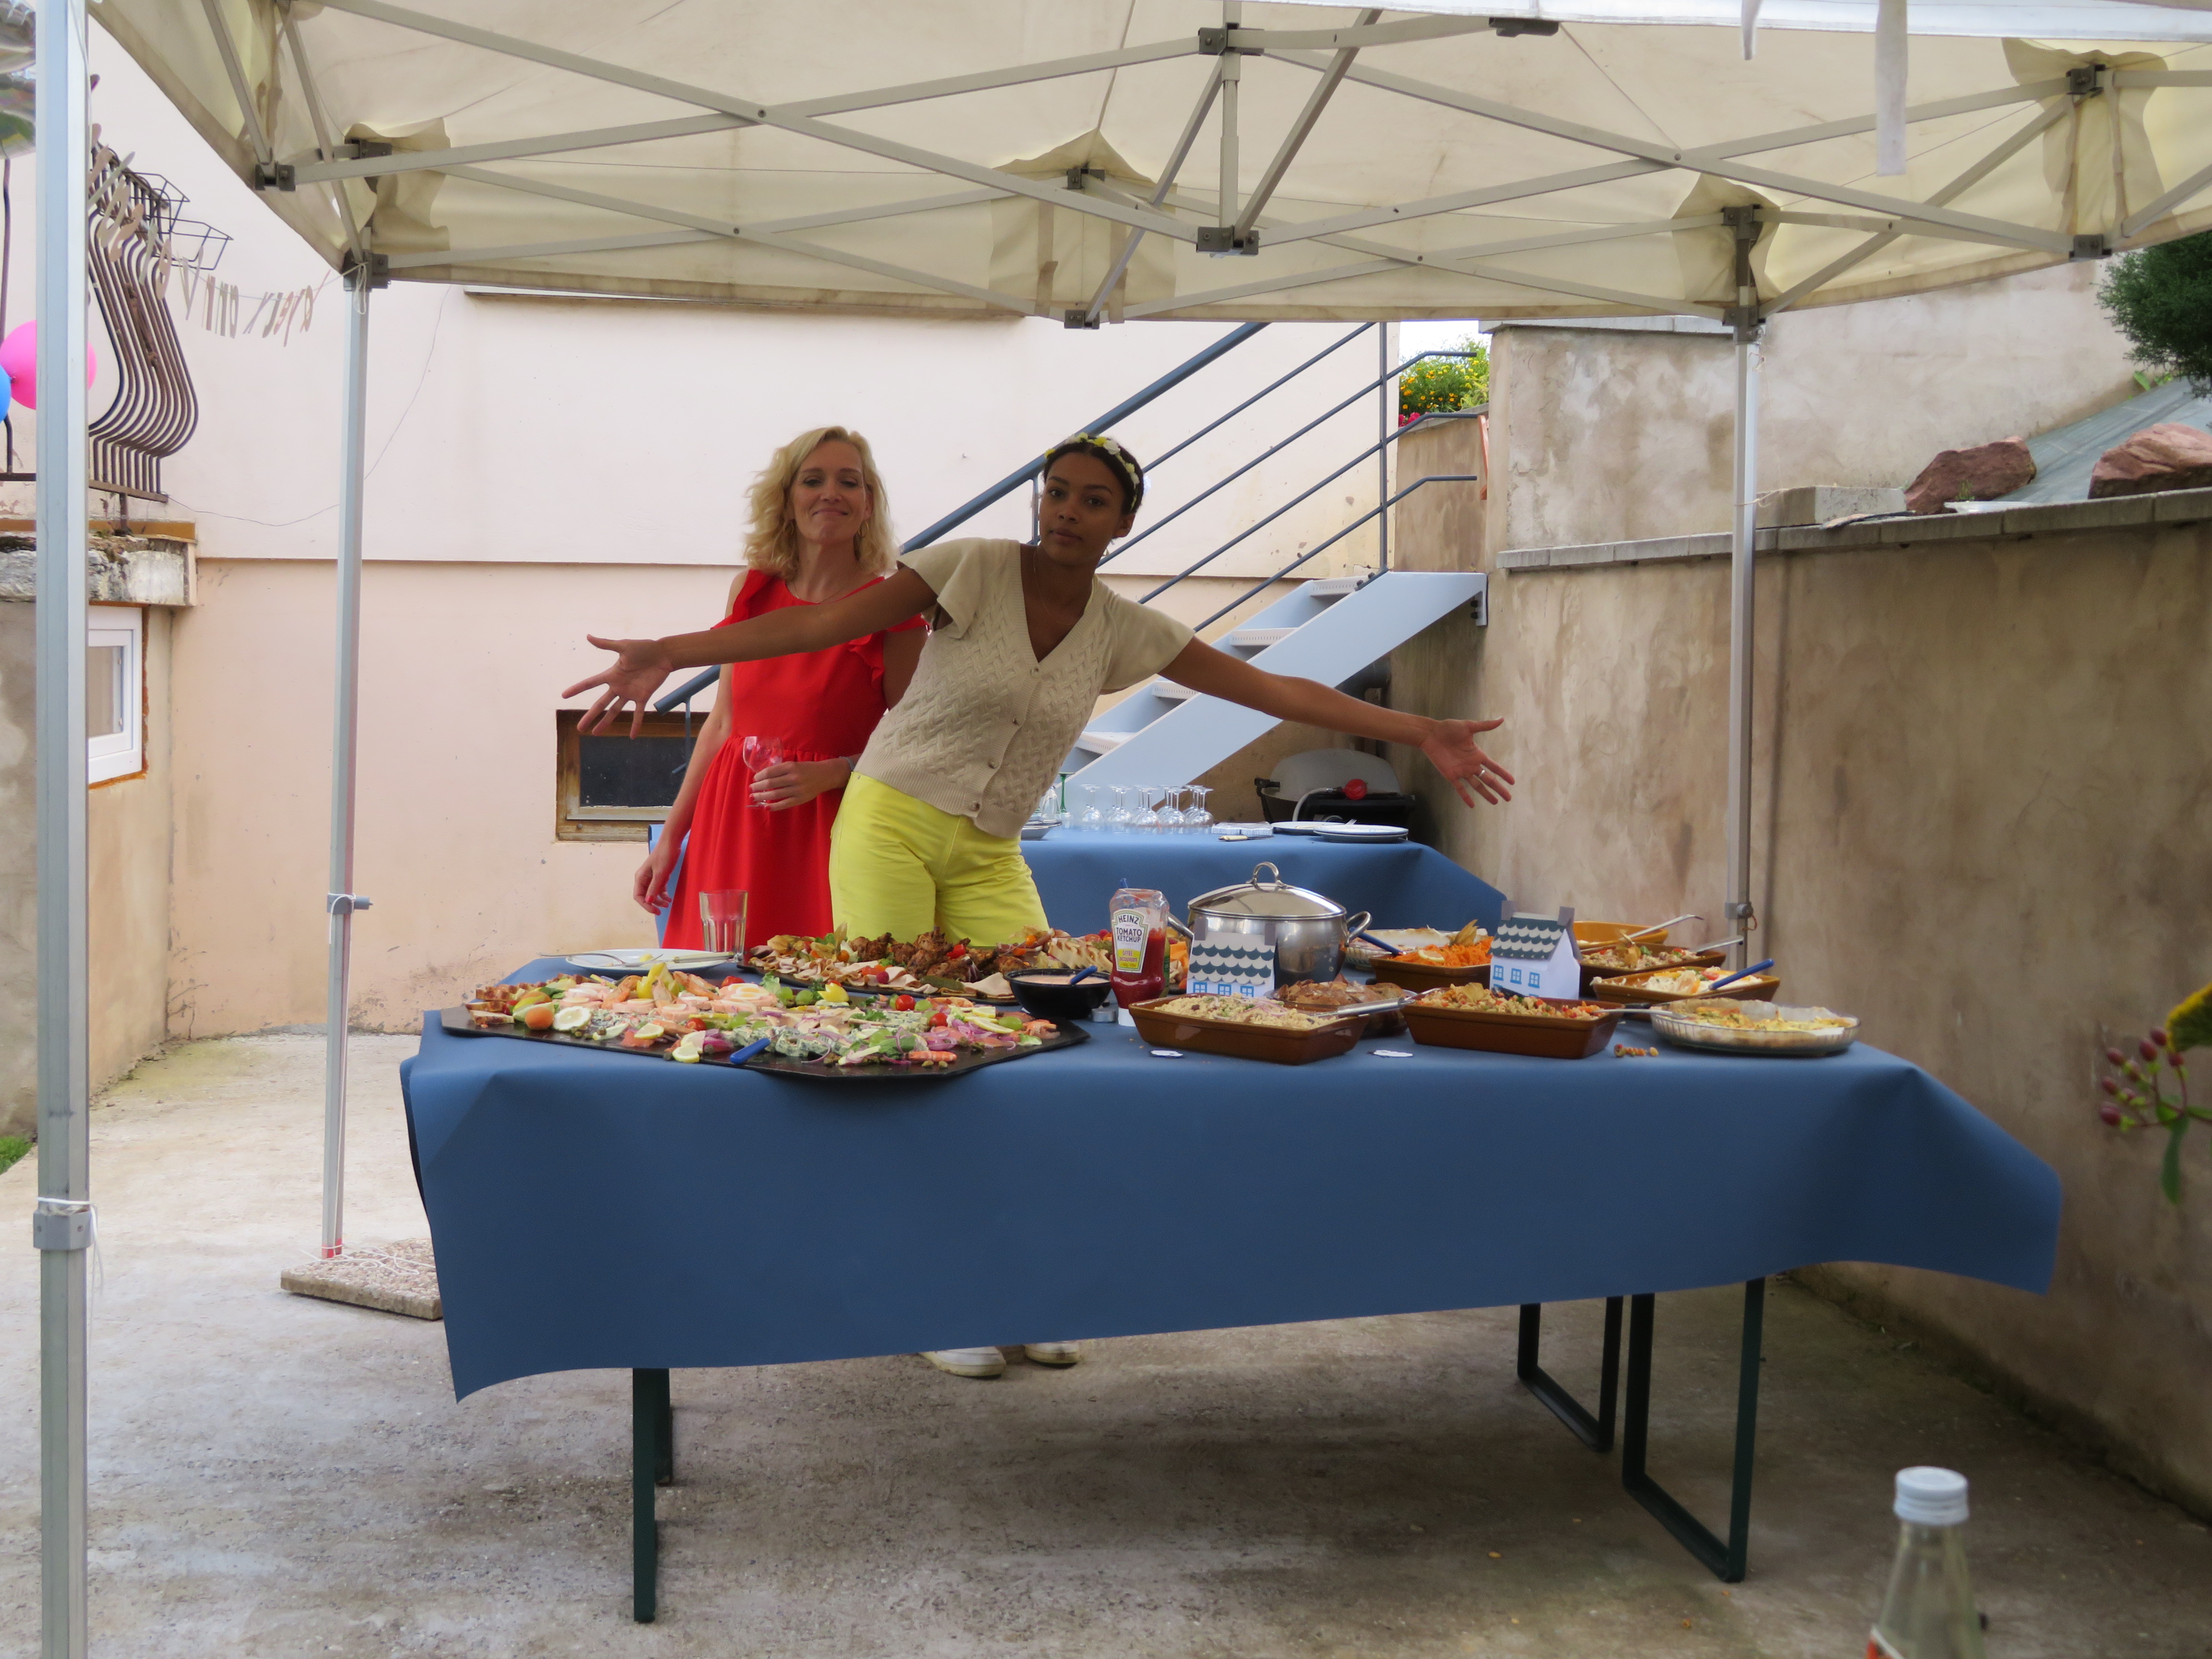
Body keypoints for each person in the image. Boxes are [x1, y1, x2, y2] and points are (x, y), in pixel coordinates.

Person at [569, 432, 1515, 1378]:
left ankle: (1013, 1287)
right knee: (909, 1047)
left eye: (1092, 500)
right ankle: (925, 1298)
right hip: (889, 822)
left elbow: (1270, 687)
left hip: (988, 849)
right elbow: (818, 628)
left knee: (1035, 1040)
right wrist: (671, 654)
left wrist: (1420, 729)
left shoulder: (1121, 628)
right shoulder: (970, 569)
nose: (1067, 511)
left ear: (1122, 522)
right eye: (1056, 493)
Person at [641, 426, 925, 947]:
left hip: (828, 824)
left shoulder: (893, 612)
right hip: (732, 819)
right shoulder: (750, 590)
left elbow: (917, 744)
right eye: (813, 480)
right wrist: (672, 838)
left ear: (868, 505)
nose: (830, 493)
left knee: (818, 983)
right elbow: (721, 724)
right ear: (787, 501)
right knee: (717, 981)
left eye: (849, 482)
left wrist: (836, 771)